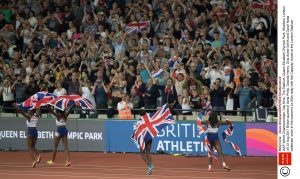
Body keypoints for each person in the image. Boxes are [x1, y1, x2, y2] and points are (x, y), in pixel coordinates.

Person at [12, 103, 41, 167]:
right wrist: (38, 106)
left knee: (30, 148)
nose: (27, 111)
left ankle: (34, 161)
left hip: (30, 132)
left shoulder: (28, 117)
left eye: (28, 111)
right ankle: (38, 155)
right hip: (35, 132)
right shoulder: (37, 116)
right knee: (33, 146)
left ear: (30, 112)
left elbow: (20, 111)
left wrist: (15, 106)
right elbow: (38, 110)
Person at [139, 108, 153, 175]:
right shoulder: (149, 119)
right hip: (149, 137)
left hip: (144, 138)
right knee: (148, 153)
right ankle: (149, 168)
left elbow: (138, 131)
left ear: (140, 114)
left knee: (142, 154)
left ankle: (150, 165)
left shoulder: (140, 120)